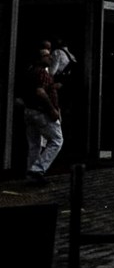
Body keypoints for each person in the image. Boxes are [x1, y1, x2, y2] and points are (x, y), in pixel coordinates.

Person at [22, 48, 63, 183]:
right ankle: (37, 169)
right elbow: (40, 92)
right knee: (57, 140)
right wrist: (52, 109)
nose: (50, 58)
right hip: (41, 112)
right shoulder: (42, 73)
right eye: (47, 56)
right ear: (40, 58)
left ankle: (31, 174)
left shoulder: (30, 71)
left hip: (29, 111)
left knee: (34, 144)